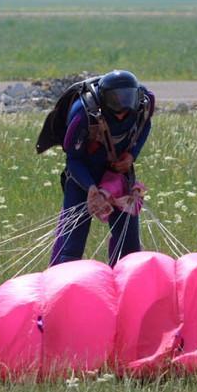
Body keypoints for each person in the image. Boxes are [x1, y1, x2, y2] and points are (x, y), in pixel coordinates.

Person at [49, 70, 155, 266]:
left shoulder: (144, 104)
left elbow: (145, 125)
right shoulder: (83, 113)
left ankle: (122, 280)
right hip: (83, 176)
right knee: (72, 243)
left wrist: (132, 155)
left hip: (118, 176)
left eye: (127, 98)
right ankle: (61, 279)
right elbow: (73, 159)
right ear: (104, 99)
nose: (123, 108)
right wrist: (90, 188)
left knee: (129, 244)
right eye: (116, 100)